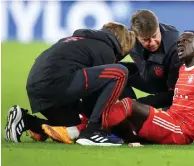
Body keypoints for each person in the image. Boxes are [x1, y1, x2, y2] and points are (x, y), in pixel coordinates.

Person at [4, 22, 136, 146]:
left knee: (72, 129)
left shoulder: (78, 41)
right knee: (120, 72)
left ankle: (26, 120)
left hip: (38, 88)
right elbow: (94, 99)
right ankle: (93, 132)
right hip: (57, 84)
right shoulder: (105, 49)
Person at [119, 9, 194, 142]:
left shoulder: (176, 45)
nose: (153, 42)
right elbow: (111, 58)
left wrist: (138, 105)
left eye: (155, 36)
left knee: (170, 124)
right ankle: (130, 120)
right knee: (118, 72)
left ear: (158, 27)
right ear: (136, 36)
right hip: (148, 76)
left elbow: (173, 95)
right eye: (146, 40)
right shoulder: (129, 37)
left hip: (174, 89)